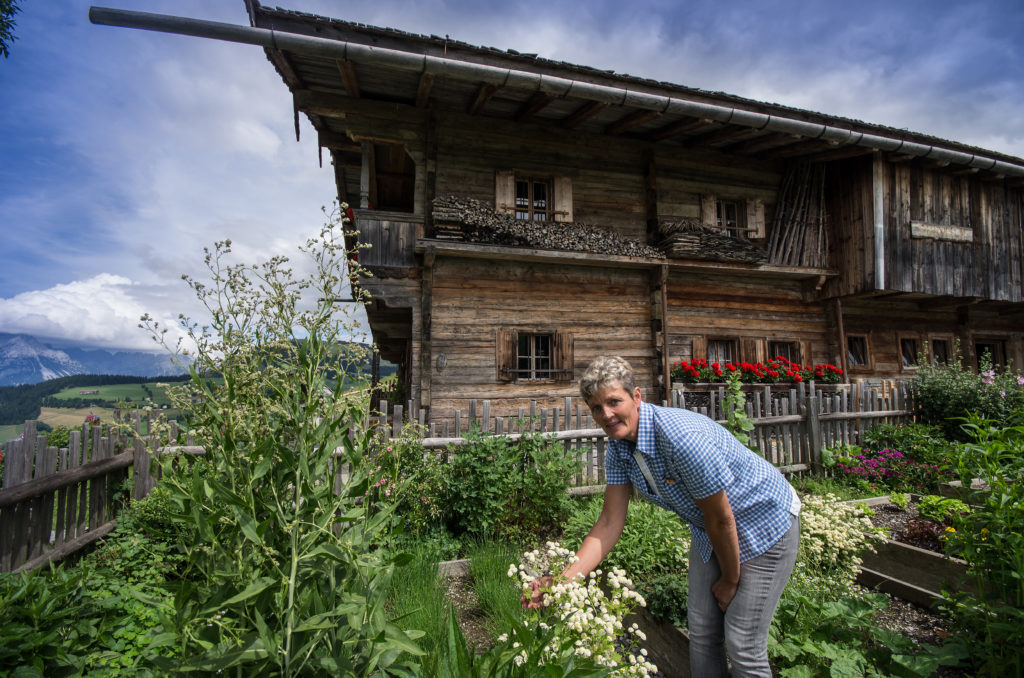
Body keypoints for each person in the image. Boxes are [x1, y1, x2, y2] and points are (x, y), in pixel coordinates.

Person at [525, 356, 801, 677]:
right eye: (597, 408)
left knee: (743, 642)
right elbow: (609, 523)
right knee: (702, 631)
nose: (606, 414)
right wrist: (560, 583)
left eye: (614, 402)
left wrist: (730, 579)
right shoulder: (619, 448)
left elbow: (722, 518)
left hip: (764, 520)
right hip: (710, 527)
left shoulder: (679, 438)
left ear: (636, 396)